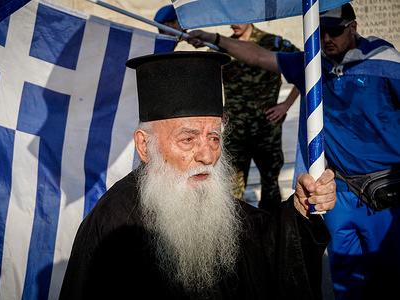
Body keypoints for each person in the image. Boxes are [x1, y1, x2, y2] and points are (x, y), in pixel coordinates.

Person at [59, 51, 337, 299]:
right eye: (188, 140)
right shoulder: (113, 225)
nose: (207, 155)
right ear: (145, 145)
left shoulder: (208, 196)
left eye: (214, 138)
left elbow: (265, 251)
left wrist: (300, 211)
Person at [186, 3, 400, 299]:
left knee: (386, 272)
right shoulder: (312, 64)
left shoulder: (386, 62)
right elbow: (259, 56)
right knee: (344, 275)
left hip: (384, 192)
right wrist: (214, 38)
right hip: (336, 190)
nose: (326, 40)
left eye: (334, 32)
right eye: (321, 32)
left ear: (353, 26)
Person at [221, 23, 301, 212]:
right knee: (231, 189)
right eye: (231, 19)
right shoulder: (224, 46)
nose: (234, 24)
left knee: (270, 187)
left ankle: (270, 235)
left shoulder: (272, 43)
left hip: (266, 128)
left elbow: (305, 67)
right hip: (235, 130)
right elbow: (205, 76)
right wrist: (217, 108)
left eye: (238, 19)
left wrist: (286, 104)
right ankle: (237, 236)